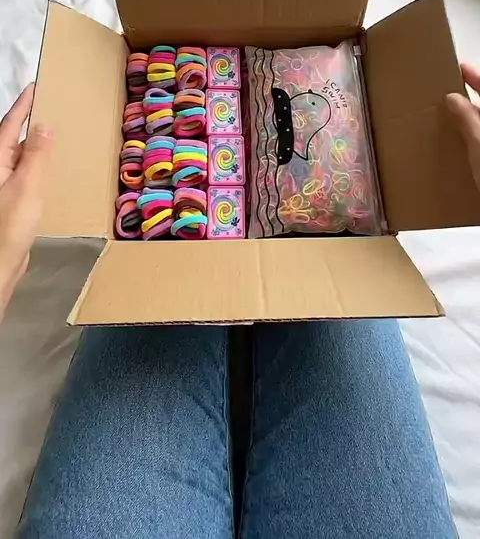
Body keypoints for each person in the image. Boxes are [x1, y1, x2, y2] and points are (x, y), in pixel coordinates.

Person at [1, 69, 480, 539]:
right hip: (223, 221)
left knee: (173, 278)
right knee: (342, 278)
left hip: (198, 239)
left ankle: (268, 244)